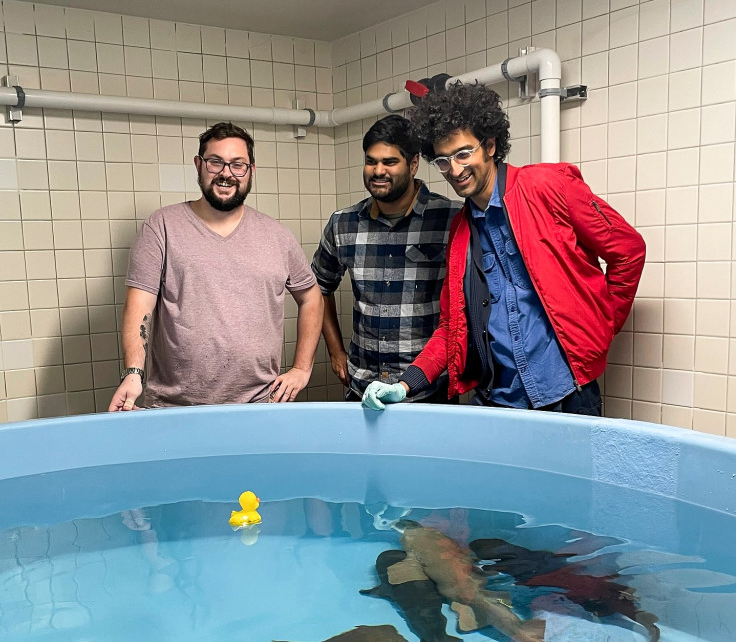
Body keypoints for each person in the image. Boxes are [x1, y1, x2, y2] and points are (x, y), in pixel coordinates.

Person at [362, 82, 645, 414]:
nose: (454, 170)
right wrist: (405, 384)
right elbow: (451, 328)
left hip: (567, 395)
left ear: (491, 146)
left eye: (463, 153)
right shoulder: (461, 231)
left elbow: (628, 250)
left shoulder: (547, 187)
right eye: (442, 160)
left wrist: (597, 328)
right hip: (498, 401)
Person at [109, 121, 323, 410]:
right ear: (198, 165)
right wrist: (133, 374)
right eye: (215, 162)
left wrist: (301, 369)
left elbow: (311, 297)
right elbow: (139, 305)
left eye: (238, 165)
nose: (226, 173)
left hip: (260, 405)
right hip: (175, 407)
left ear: (251, 171)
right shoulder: (162, 226)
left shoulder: (277, 236)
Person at [312, 115, 460, 402]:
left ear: (413, 164)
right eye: (371, 161)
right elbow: (318, 287)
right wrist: (335, 351)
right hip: (363, 388)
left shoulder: (450, 219)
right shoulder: (343, 224)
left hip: (427, 392)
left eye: (390, 162)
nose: (378, 171)